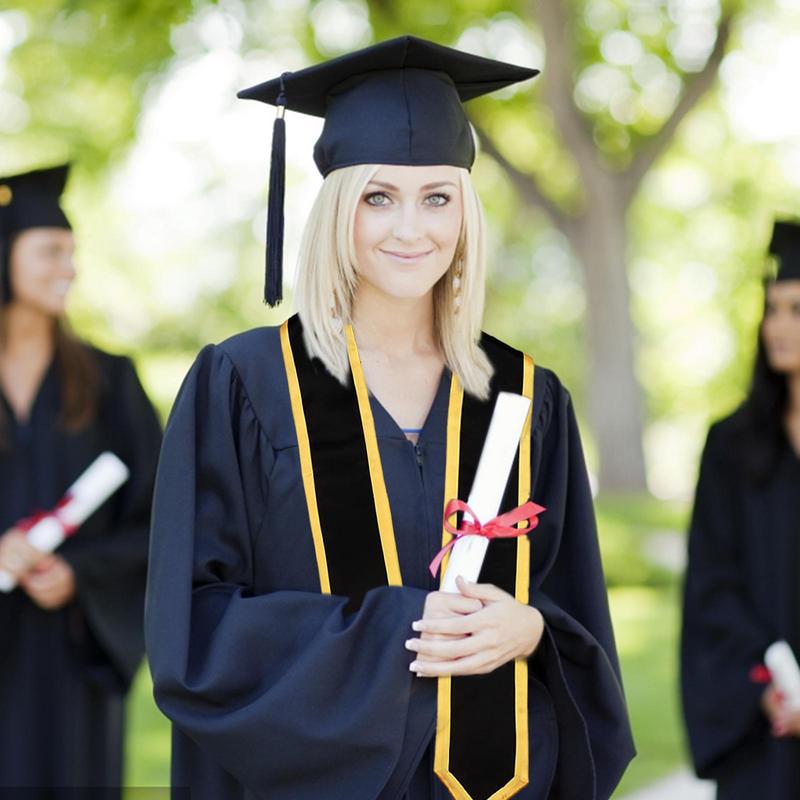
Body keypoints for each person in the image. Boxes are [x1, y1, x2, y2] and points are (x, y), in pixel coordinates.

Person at [145, 36, 635, 800]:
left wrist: (531, 630)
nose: (413, 229)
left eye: (438, 196)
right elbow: (193, 629)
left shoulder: (525, 396)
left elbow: (575, 612)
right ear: (340, 208)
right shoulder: (245, 385)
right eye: (380, 197)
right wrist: (393, 629)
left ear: (466, 211)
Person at [0, 164, 163, 791]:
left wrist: (80, 571)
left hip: (73, 656)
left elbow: (162, 519)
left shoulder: (109, 382)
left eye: (72, 251)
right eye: (50, 250)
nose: (67, 266)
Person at [681, 220, 800, 799]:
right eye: (772, 309)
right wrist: (770, 683)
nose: (777, 327)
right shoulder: (732, 446)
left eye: (797, 310)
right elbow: (712, 583)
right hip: (764, 721)